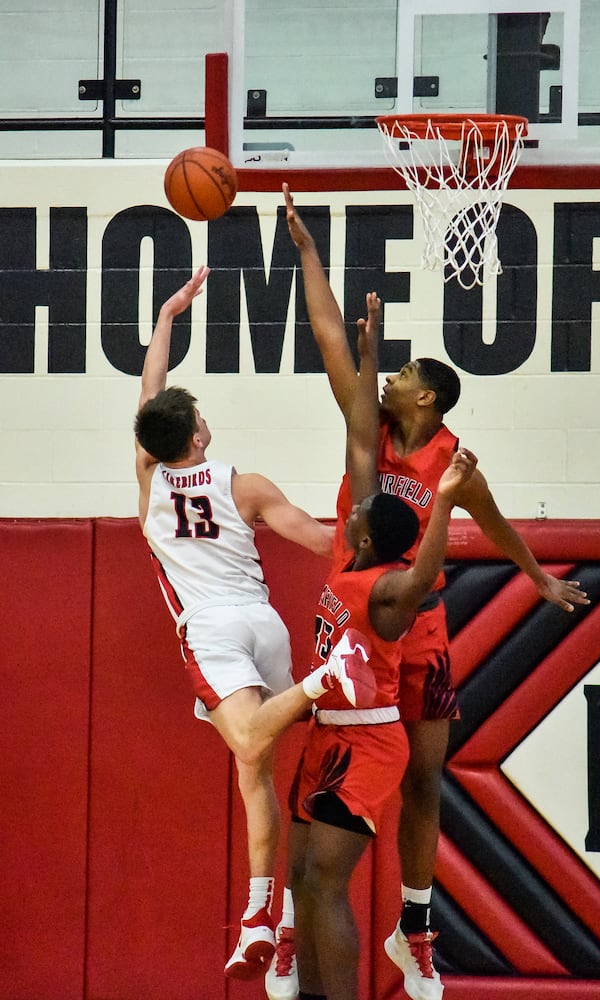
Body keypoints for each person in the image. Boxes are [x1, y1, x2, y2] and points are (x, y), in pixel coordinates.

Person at [282, 183, 590, 1000]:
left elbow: (489, 522)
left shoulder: (452, 458)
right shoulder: (365, 433)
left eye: (402, 373)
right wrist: (309, 254)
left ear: (426, 398)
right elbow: (326, 337)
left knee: (424, 779)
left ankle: (413, 928)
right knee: (321, 800)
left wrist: (534, 578)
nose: (388, 378)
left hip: (412, 624)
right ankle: (292, 922)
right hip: (357, 623)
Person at [135, 265, 372, 988]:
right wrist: (368, 541)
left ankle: (327, 679)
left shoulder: (147, 474)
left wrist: (169, 317)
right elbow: (312, 536)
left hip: (212, 631)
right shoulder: (247, 485)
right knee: (254, 771)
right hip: (263, 625)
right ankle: (262, 915)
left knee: (244, 740)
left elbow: (149, 395)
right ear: (200, 431)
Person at [285, 287, 477, 1000]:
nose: (348, 502)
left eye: (355, 508)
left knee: (331, 871)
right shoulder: (348, 561)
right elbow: (351, 404)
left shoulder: (386, 584)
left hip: (370, 724)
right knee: (307, 876)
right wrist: (365, 351)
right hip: (335, 726)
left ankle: (414, 927)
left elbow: (429, 566)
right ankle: (287, 944)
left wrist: (523, 569)